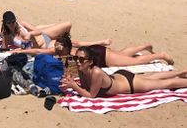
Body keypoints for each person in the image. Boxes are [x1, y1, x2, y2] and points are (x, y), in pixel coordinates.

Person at [59, 46, 187, 98]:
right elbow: (86, 88)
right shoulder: (81, 69)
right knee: (153, 78)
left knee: (164, 84)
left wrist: (74, 86)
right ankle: (181, 72)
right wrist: (70, 81)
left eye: (81, 59)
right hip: (119, 77)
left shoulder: (96, 72)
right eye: (76, 58)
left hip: (129, 84)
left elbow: (91, 95)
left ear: (90, 61)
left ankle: (182, 77)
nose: (77, 62)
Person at [54, 33, 174, 66]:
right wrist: (101, 42)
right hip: (96, 50)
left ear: (64, 46)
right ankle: (145, 46)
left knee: (134, 61)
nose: (56, 49)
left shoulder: (68, 58)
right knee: (123, 54)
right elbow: (79, 43)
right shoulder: (70, 47)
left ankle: (161, 55)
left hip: (102, 57)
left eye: (58, 47)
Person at [1, 11, 72, 51]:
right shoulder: (6, 34)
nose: (11, 24)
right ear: (5, 23)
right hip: (41, 46)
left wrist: (30, 34)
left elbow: (39, 31)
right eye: (9, 23)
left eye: (13, 22)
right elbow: (4, 49)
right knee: (66, 47)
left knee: (68, 25)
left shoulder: (22, 24)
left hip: (44, 36)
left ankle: (61, 34)